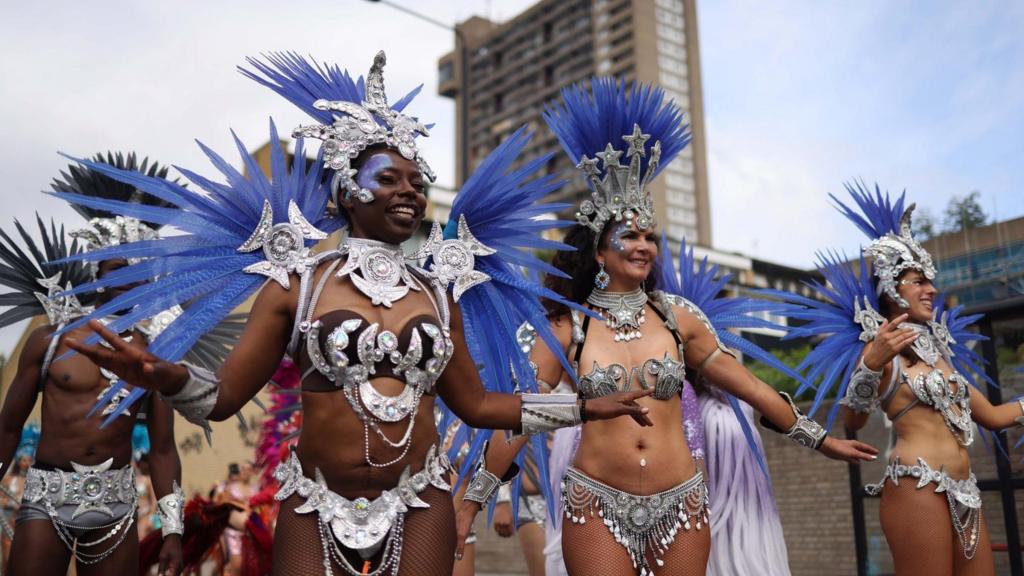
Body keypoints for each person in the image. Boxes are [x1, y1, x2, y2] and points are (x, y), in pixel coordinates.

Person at [60, 52, 652, 576]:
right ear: (345, 191)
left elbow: (475, 404)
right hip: (314, 501)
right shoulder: (297, 285)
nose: (409, 192)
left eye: (417, 183)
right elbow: (223, 400)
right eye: (388, 179)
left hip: (421, 498)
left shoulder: (440, 292)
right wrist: (168, 377)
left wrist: (578, 407)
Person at [454, 78, 878, 576]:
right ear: (599, 250)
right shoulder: (567, 328)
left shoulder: (678, 319)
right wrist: (471, 502)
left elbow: (755, 390)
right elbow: (520, 420)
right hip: (596, 503)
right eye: (628, 235)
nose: (643, 246)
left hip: (683, 502)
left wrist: (820, 439)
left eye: (649, 236)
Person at [778, 184, 1024, 576]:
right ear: (892, 288)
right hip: (918, 486)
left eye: (930, 280)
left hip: (967, 491)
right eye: (918, 281)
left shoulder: (941, 351)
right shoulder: (880, 350)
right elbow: (853, 423)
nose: (932, 290)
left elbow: (993, 416)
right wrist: (871, 363)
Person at [0, 157, 185, 576]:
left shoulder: (156, 356)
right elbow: (9, 426)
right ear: (98, 272)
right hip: (47, 498)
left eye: (139, 269)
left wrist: (173, 530)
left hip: (118, 506)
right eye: (119, 267)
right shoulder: (51, 341)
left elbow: (162, 448)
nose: (128, 278)